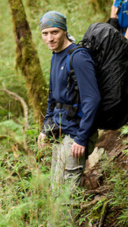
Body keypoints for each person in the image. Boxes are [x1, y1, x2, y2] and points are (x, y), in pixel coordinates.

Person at [37, 11, 100, 200]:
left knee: (67, 197)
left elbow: (92, 99)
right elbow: (53, 97)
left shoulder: (78, 57)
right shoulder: (56, 55)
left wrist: (81, 138)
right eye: (45, 33)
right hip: (60, 130)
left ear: (64, 31)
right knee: (57, 190)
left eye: (54, 32)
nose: (50, 38)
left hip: (75, 134)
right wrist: (45, 128)